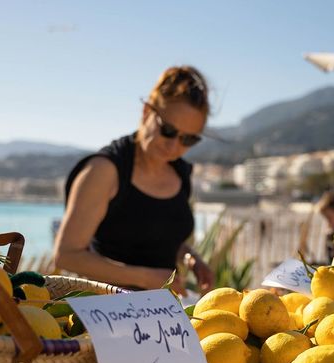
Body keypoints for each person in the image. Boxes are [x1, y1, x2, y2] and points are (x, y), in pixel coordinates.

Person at [54, 66, 214, 294]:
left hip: (162, 312)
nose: (173, 146)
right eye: (168, 130)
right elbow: (67, 256)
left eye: (188, 139)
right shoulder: (104, 170)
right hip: (106, 313)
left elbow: (157, 237)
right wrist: (147, 278)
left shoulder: (181, 172)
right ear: (146, 113)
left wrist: (191, 259)